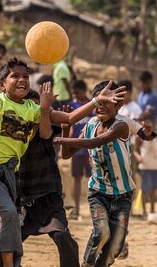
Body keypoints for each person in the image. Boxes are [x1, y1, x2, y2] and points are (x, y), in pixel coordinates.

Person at [0, 58, 126, 267]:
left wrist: (96, 101)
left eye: (25, 76)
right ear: (2, 84)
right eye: (15, 76)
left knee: (5, 228)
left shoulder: (35, 115)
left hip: (35, 189)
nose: (21, 79)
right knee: (8, 221)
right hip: (2, 182)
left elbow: (67, 119)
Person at [53, 80, 137, 267]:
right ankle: (87, 262)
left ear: (118, 104)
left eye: (107, 102)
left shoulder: (121, 126)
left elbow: (94, 143)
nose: (100, 107)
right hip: (98, 193)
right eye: (98, 102)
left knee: (114, 249)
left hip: (123, 195)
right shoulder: (90, 125)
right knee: (102, 232)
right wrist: (67, 129)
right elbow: (67, 155)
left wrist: (61, 139)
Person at [18, 89, 79, 267]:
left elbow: (61, 145)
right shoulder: (14, 133)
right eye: (32, 105)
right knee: (8, 244)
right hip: (23, 199)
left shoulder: (47, 128)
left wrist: (66, 128)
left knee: (61, 235)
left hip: (49, 194)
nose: (37, 109)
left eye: (40, 105)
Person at [67, 79, 92, 220]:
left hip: (90, 148)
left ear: (84, 91)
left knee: (92, 179)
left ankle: (93, 208)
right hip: (76, 149)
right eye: (74, 93)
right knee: (76, 179)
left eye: (77, 92)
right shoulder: (71, 105)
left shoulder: (92, 106)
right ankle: (76, 209)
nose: (75, 95)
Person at [133, 127, 157, 217]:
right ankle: (144, 211)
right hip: (145, 166)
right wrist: (138, 157)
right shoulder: (139, 138)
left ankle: (152, 210)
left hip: (155, 166)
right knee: (145, 189)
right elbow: (135, 151)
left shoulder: (156, 137)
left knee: (153, 190)